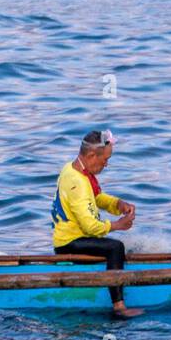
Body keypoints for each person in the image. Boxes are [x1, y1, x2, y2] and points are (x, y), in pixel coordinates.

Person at [51, 129, 143, 318]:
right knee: (115, 247)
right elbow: (90, 227)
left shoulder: (75, 168)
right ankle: (119, 306)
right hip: (69, 242)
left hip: (77, 237)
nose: (106, 165)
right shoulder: (77, 182)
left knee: (120, 247)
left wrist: (118, 204)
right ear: (92, 155)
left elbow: (96, 197)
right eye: (104, 160)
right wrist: (118, 225)